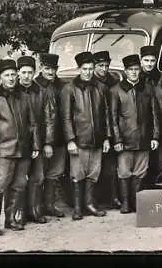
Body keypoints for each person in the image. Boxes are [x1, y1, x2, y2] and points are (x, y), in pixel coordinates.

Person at [0, 59, 40, 236]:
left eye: (14, 74)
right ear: (0, 77)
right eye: (7, 75)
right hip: (2, 151)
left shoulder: (25, 97)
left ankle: (11, 219)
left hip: (24, 150)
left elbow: (33, 124)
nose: (11, 78)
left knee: (19, 185)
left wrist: (35, 144)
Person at [60, 51, 111, 220]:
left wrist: (106, 138)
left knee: (93, 173)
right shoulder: (69, 89)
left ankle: (89, 204)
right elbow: (66, 117)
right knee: (77, 173)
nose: (88, 72)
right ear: (78, 69)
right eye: (85, 69)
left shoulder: (101, 88)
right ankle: (77, 208)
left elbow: (107, 115)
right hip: (79, 140)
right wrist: (70, 140)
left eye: (90, 68)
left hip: (97, 139)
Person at [110, 54, 160, 213]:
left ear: (140, 71)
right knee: (124, 172)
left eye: (136, 69)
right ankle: (125, 202)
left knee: (140, 171)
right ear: (125, 71)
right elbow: (112, 117)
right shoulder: (116, 90)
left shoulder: (147, 88)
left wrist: (155, 136)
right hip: (125, 140)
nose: (134, 72)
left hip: (143, 138)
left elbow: (154, 114)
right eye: (130, 70)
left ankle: (136, 202)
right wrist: (117, 139)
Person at [15, 56, 49, 225]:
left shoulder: (41, 91)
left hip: (39, 141)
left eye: (30, 72)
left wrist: (47, 142)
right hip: (19, 143)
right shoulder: (12, 91)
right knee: (20, 178)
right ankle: (19, 213)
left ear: (35, 73)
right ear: (18, 73)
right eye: (23, 72)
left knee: (38, 177)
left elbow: (50, 118)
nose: (27, 76)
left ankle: (34, 210)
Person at [35, 53, 67, 219]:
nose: (50, 72)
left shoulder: (62, 85)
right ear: (41, 68)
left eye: (53, 69)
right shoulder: (35, 86)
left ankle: (49, 205)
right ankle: (36, 207)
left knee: (55, 172)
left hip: (60, 137)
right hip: (41, 139)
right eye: (47, 68)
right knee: (39, 174)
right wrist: (45, 141)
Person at [92, 51, 121, 210]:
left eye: (106, 65)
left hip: (112, 125)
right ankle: (94, 199)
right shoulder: (91, 82)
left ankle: (114, 197)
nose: (104, 69)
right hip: (97, 127)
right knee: (95, 167)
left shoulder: (114, 81)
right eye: (100, 66)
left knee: (112, 166)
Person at [139, 45, 162, 189]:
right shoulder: (135, 76)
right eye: (146, 60)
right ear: (141, 61)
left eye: (152, 60)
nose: (149, 64)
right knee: (142, 161)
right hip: (142, 124)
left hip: (159, 122)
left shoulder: (160, 77)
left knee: (157, 160)